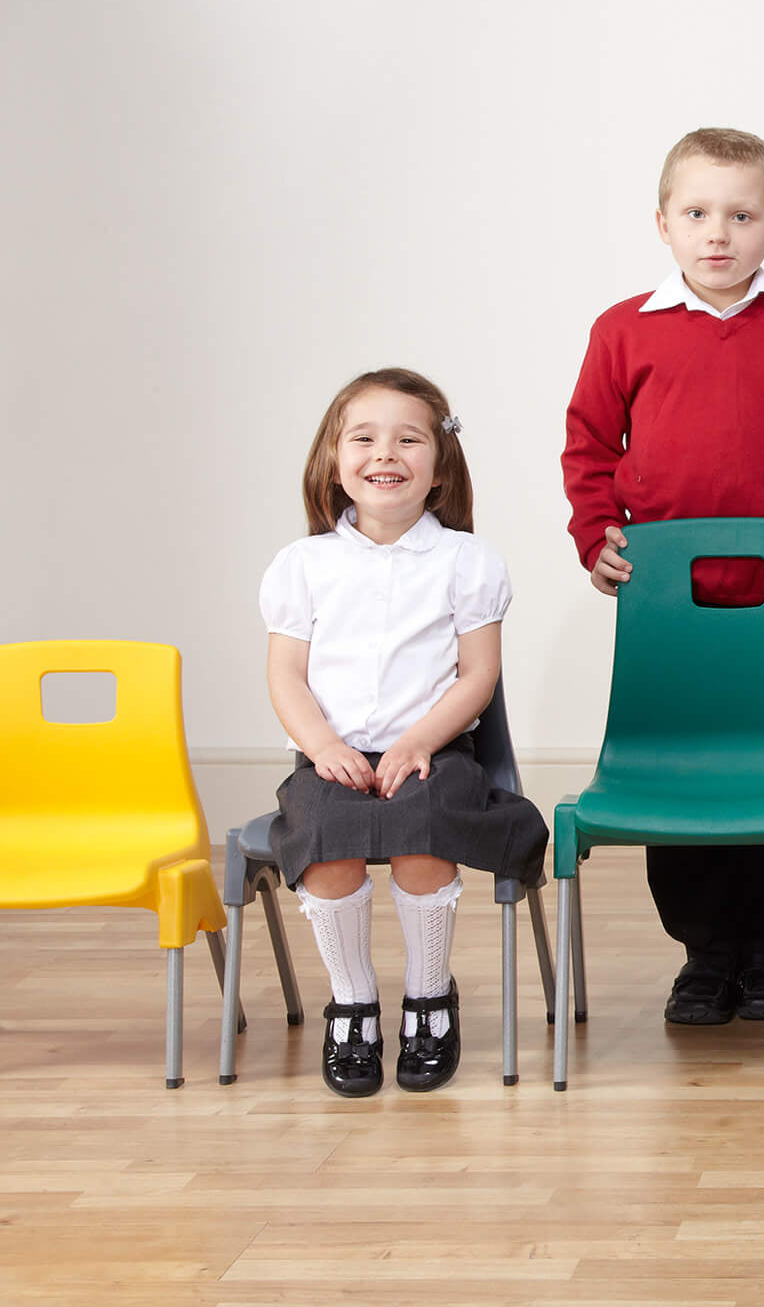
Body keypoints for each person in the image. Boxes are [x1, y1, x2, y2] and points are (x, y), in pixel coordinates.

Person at [562, 127, 764, 1026]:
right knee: (680, 773)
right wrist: (597, 535)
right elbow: (588, 445)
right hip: (670, 609)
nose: (718, 233)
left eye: (741, 215)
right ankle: (705, 955)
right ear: (662, 222)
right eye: (698, 213)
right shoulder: (624, 329)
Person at [259, 368, 547, 1097]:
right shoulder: (304, 565)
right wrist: (323, 747)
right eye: (364, 436)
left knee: (423, 833)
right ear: (333, 458)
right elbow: (286, 676)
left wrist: (419, 740)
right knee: (326, 845)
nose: (385, 452)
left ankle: (429, 998)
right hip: (334, 758)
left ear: (439, 464)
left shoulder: (466, 561)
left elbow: (478, 674)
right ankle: (352, 1002)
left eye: (408, 438)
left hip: (435, 753)